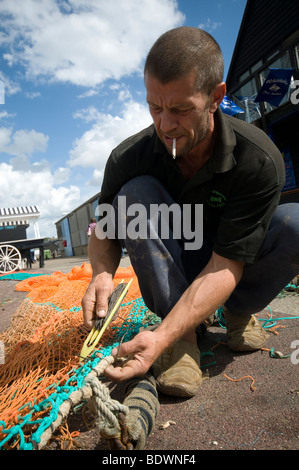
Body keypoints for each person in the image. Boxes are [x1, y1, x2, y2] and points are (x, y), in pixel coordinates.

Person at [82, 27, 299, 398]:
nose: (165, 125)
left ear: (216, 97)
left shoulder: (258, 159)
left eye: (181, 109)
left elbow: (226, 264)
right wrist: (102, 273)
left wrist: (156, 337)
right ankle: (182, 337)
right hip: (176, 263)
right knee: (133, 196)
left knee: (295, 224)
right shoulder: (127, 157)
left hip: (227, 263)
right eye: (155, 107)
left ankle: (237, 312)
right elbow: (104, 228)